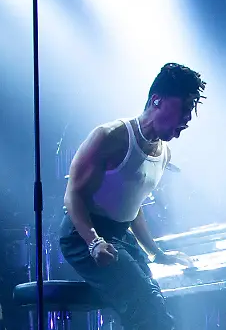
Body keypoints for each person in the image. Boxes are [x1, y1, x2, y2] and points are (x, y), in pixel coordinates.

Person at [59, 62, 204, 330]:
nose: (187, 118)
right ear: (156, 100)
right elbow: (73, 196)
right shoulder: (111, 136)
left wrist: (156, 252)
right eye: (183, 108)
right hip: (81, 235)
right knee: (147, 307)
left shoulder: (164, 153)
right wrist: (94, 243)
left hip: (120, 234)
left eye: (191, 110)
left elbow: (132, 206)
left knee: (152, 299)